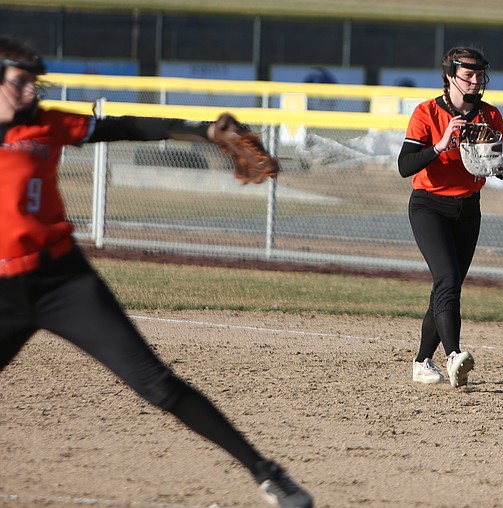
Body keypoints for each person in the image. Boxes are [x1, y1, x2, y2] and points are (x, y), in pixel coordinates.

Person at [0, 36, 313, 508]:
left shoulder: (47, 124)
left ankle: (267, 473)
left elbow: (129, 127)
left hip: (62, 281)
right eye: (21, 83)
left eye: (34, 83)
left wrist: (204, 130)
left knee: (156, 383)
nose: (32, 93)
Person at [397, 45, 503, 388]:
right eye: (468, 75)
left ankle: (421, 362)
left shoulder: (490, 115)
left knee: (447, 286)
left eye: (480, 75)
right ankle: (453, 356)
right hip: (429, 205)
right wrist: (439, 144)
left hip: (468, 208)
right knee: (447, 279)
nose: (476, 81)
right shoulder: (427, 112)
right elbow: (405, 166)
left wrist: (496, 158)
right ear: (450, 77)